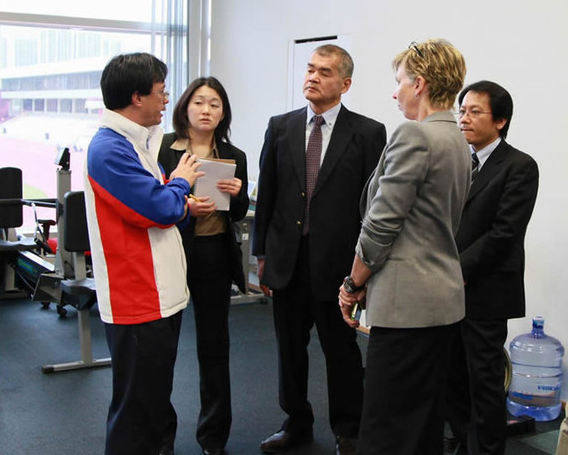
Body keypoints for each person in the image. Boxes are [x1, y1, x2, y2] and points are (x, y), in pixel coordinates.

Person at [339, 39, 471, 455]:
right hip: (442, 302)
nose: (394, 92)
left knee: (385, 427)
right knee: (421, 424)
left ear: (421, 84)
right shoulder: (458, 140)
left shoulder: (414, 134)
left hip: (406, 307)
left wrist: (352, 283)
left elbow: (381, 225)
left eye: (399, 82)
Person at [253, 44, 386, 454]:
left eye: (325, 72)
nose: (312, 77)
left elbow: (374, 206)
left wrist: (365, 272)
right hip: (287, 262)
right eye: (310, 69)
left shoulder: (368, 133)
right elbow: (269, 196)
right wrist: (261, 256)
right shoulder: (281, 126)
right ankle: (296, 423)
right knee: (290, 352)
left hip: (338, 267)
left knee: (342, 353)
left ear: (345, 83)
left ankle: (349, 429)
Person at [84, 52, 203, 455]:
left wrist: (181, 203)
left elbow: (161, 214)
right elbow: (155, 208)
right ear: (137, 98)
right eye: (160, 92)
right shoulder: (109, 149)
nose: (167, 100)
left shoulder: (136, 143)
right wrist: (181, 186)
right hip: (137, 299)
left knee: (154, 407)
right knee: (136, 415)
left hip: (159, 297)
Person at [445, 80, 539, 455]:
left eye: (475, 112)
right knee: (450, 378)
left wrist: (452, 271)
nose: (464, 119)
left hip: (484, 292)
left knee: (483, 382)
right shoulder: (454, 161)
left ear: (500, 120)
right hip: (446, 291)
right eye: (462, 111)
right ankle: (463, 443)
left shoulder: (519, 166)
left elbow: (502, 234)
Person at [158, 77, 249, 455]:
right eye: (199, 102)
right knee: (162, 349)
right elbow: (154, 198)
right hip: (171, 252)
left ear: (223, 111)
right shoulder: (163, 148)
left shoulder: (233, 154)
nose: (206, 110)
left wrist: (238, 194)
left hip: (213, 253)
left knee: (214, 348)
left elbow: (240, 214)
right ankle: (162, 436)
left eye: (214, 104)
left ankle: (213, 437)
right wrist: (185, 207)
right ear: (185, 107)